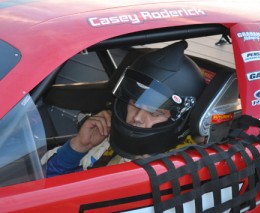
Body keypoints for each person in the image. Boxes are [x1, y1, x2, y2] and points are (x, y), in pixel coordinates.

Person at [42, 40, 205, 177]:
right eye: (135, 105)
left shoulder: (181, 171)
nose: (138, 117)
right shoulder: (104, 141)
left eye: (154, 112)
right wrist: (78, 147)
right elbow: (41, 184)